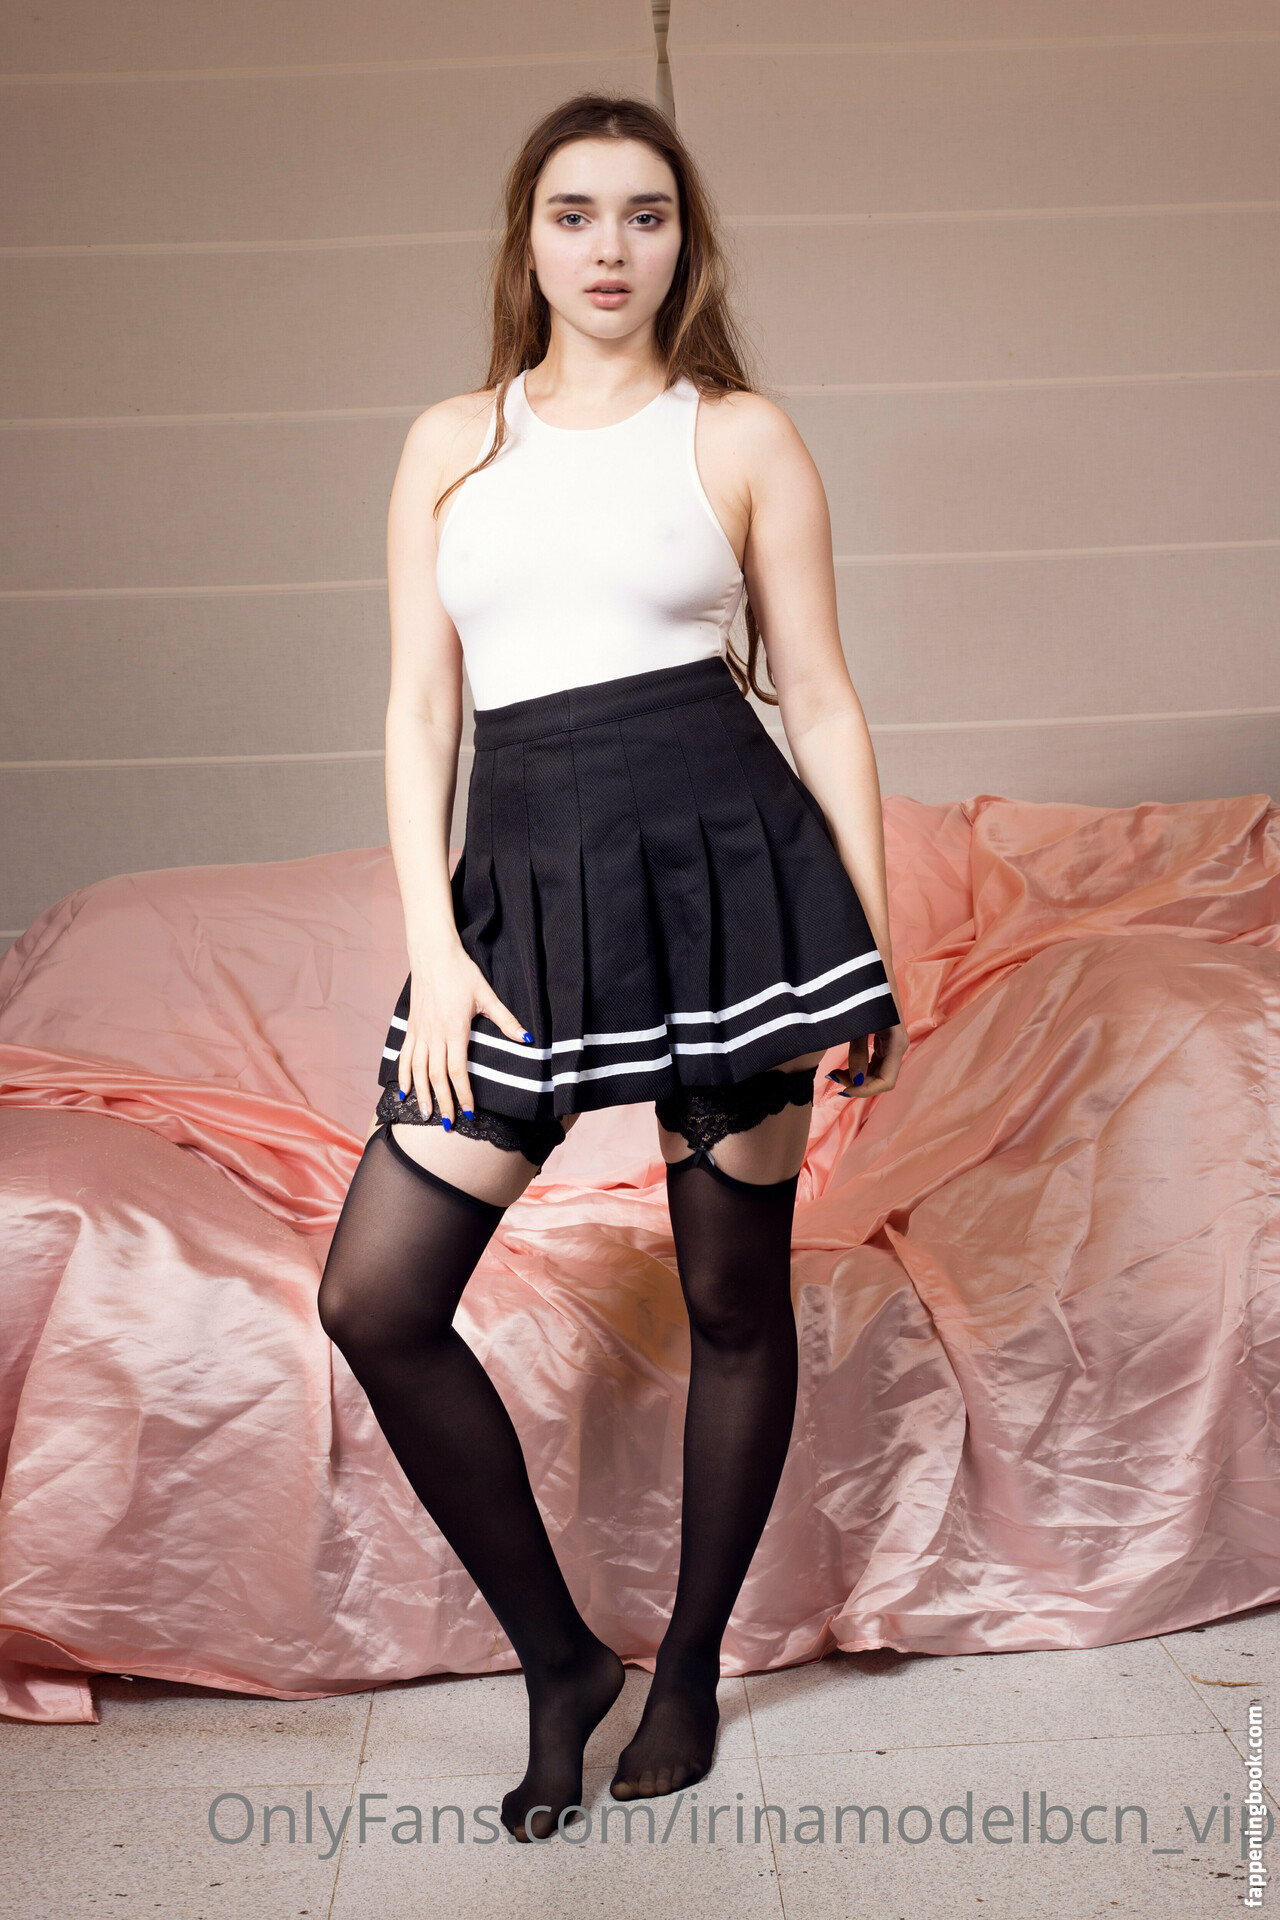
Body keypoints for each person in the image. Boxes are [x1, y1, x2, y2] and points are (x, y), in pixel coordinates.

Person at [316, 91, 908, 1844]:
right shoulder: (451, 443)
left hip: (734, 883)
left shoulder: (740, 435)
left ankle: (695, 1663)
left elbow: (824, 698)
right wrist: (433, 946)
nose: (609, 246)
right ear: (527, 237)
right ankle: (563, 1663)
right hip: (519, 889)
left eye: (645, 214)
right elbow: (421, 710)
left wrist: (865, 950)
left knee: (732, 1299)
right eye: (574, 213)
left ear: (683, 243)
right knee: (377, 1298)